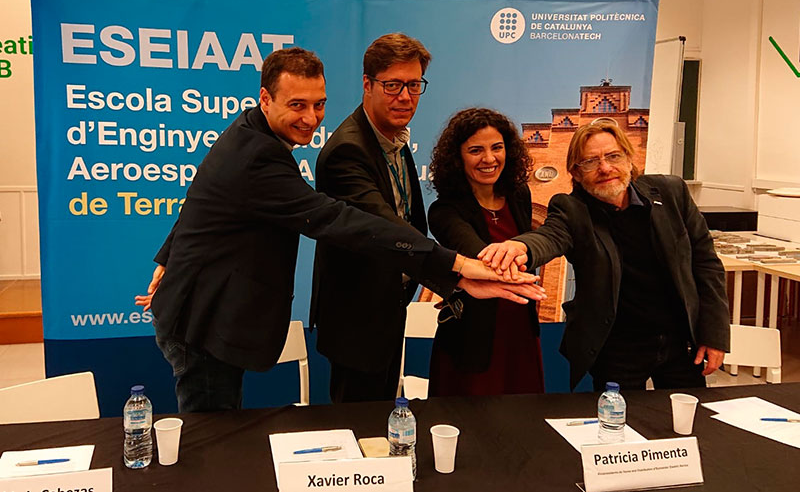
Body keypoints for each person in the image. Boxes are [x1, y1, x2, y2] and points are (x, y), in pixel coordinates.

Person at [135, 47, 543, 412]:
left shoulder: (251, 132)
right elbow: (339, 220)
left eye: (319, 105)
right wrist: (457, 265)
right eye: (297, 105)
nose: (311, 118)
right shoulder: (262, 155)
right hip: (204, 321)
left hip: (210, 309)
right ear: (265, 99)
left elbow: (204, 195)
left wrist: (170, 257)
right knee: (211, 439)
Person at [479, 120, 730, 391]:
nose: (605, 168)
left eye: (613, 156)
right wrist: (520, 247)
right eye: (590, 162)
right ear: (576, 173)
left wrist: (714, 334)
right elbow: (549, 237)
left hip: (681, 341)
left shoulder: (671, 192)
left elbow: (706, 263)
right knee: (616, 418)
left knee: (689, 415)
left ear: (629, 158)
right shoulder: (571, 209)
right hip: (618, 348)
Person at [311, 33, 432, 403]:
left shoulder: (393, 138)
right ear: (367, 84)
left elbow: (409, 217)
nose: (405, 97)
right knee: (358, 425)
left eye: (414, 85)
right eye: (393, 85)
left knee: (383, 421)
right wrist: (454, 270)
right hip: (356, 322)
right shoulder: (347, 150)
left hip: (389, 307)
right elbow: (384, 226)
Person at [426, 108, 545, 396]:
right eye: (476, 150)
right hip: (471, 341)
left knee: (523, 416)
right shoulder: (444, 211)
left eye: (497, 148)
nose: (489, 159)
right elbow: (481, 257)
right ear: (458, 158)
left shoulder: (520, 195)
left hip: (520, 331)